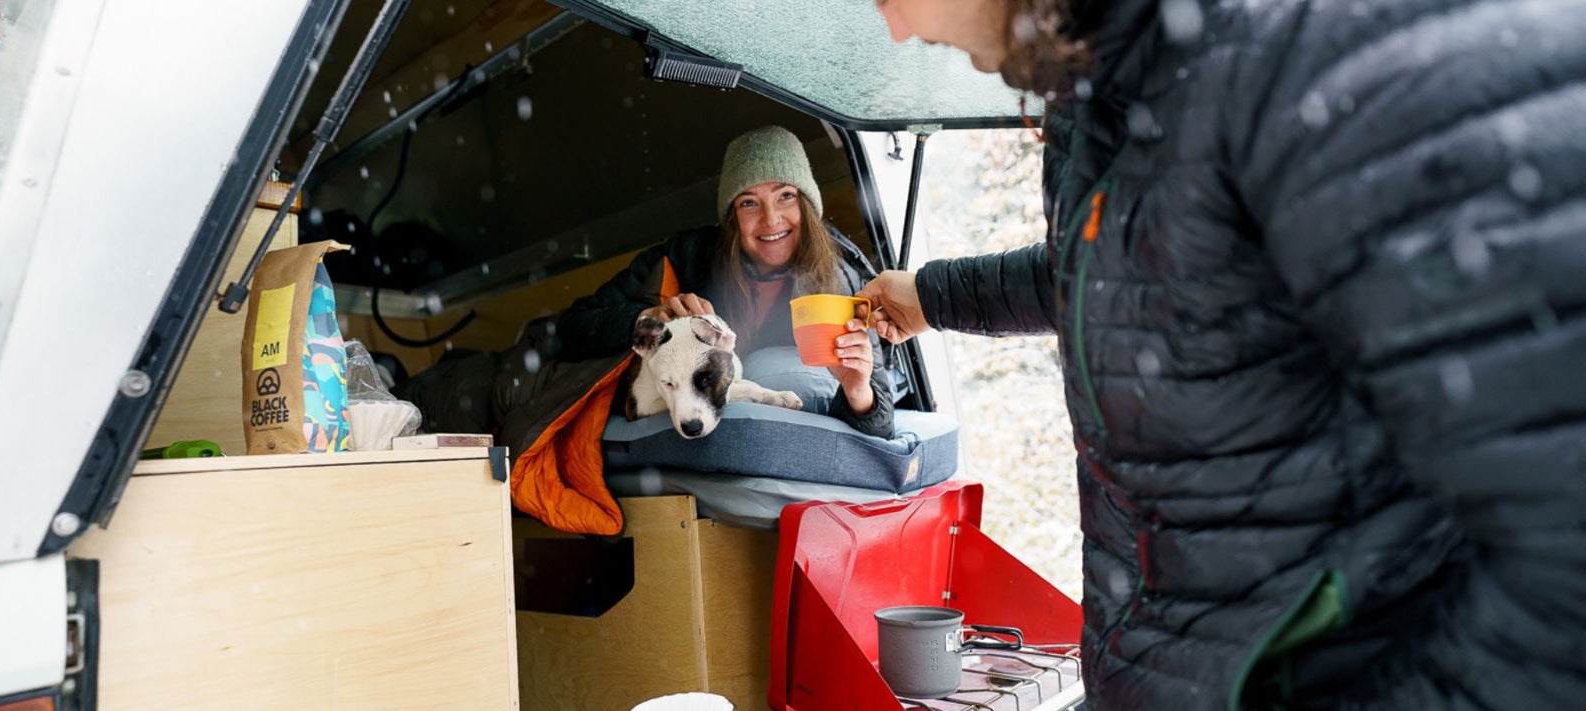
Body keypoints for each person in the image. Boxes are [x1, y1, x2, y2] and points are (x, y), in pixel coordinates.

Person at [861, 0, 1586, 709]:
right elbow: (1131, 273)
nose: (891, 26)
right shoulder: (1110, 86)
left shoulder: (1315, 47)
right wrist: (930, 296)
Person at [558, 125, 894, 439]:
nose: (771, 219)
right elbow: (572, 328)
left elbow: (882, 426)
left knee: (776, 368)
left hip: (780, 445)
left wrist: (856, 390)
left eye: (786, 196)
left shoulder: (839, 280)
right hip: (693, 438)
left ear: (807, 205)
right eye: (749, 203)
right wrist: (650, 319)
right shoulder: (687, 256)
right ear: (732, 216)